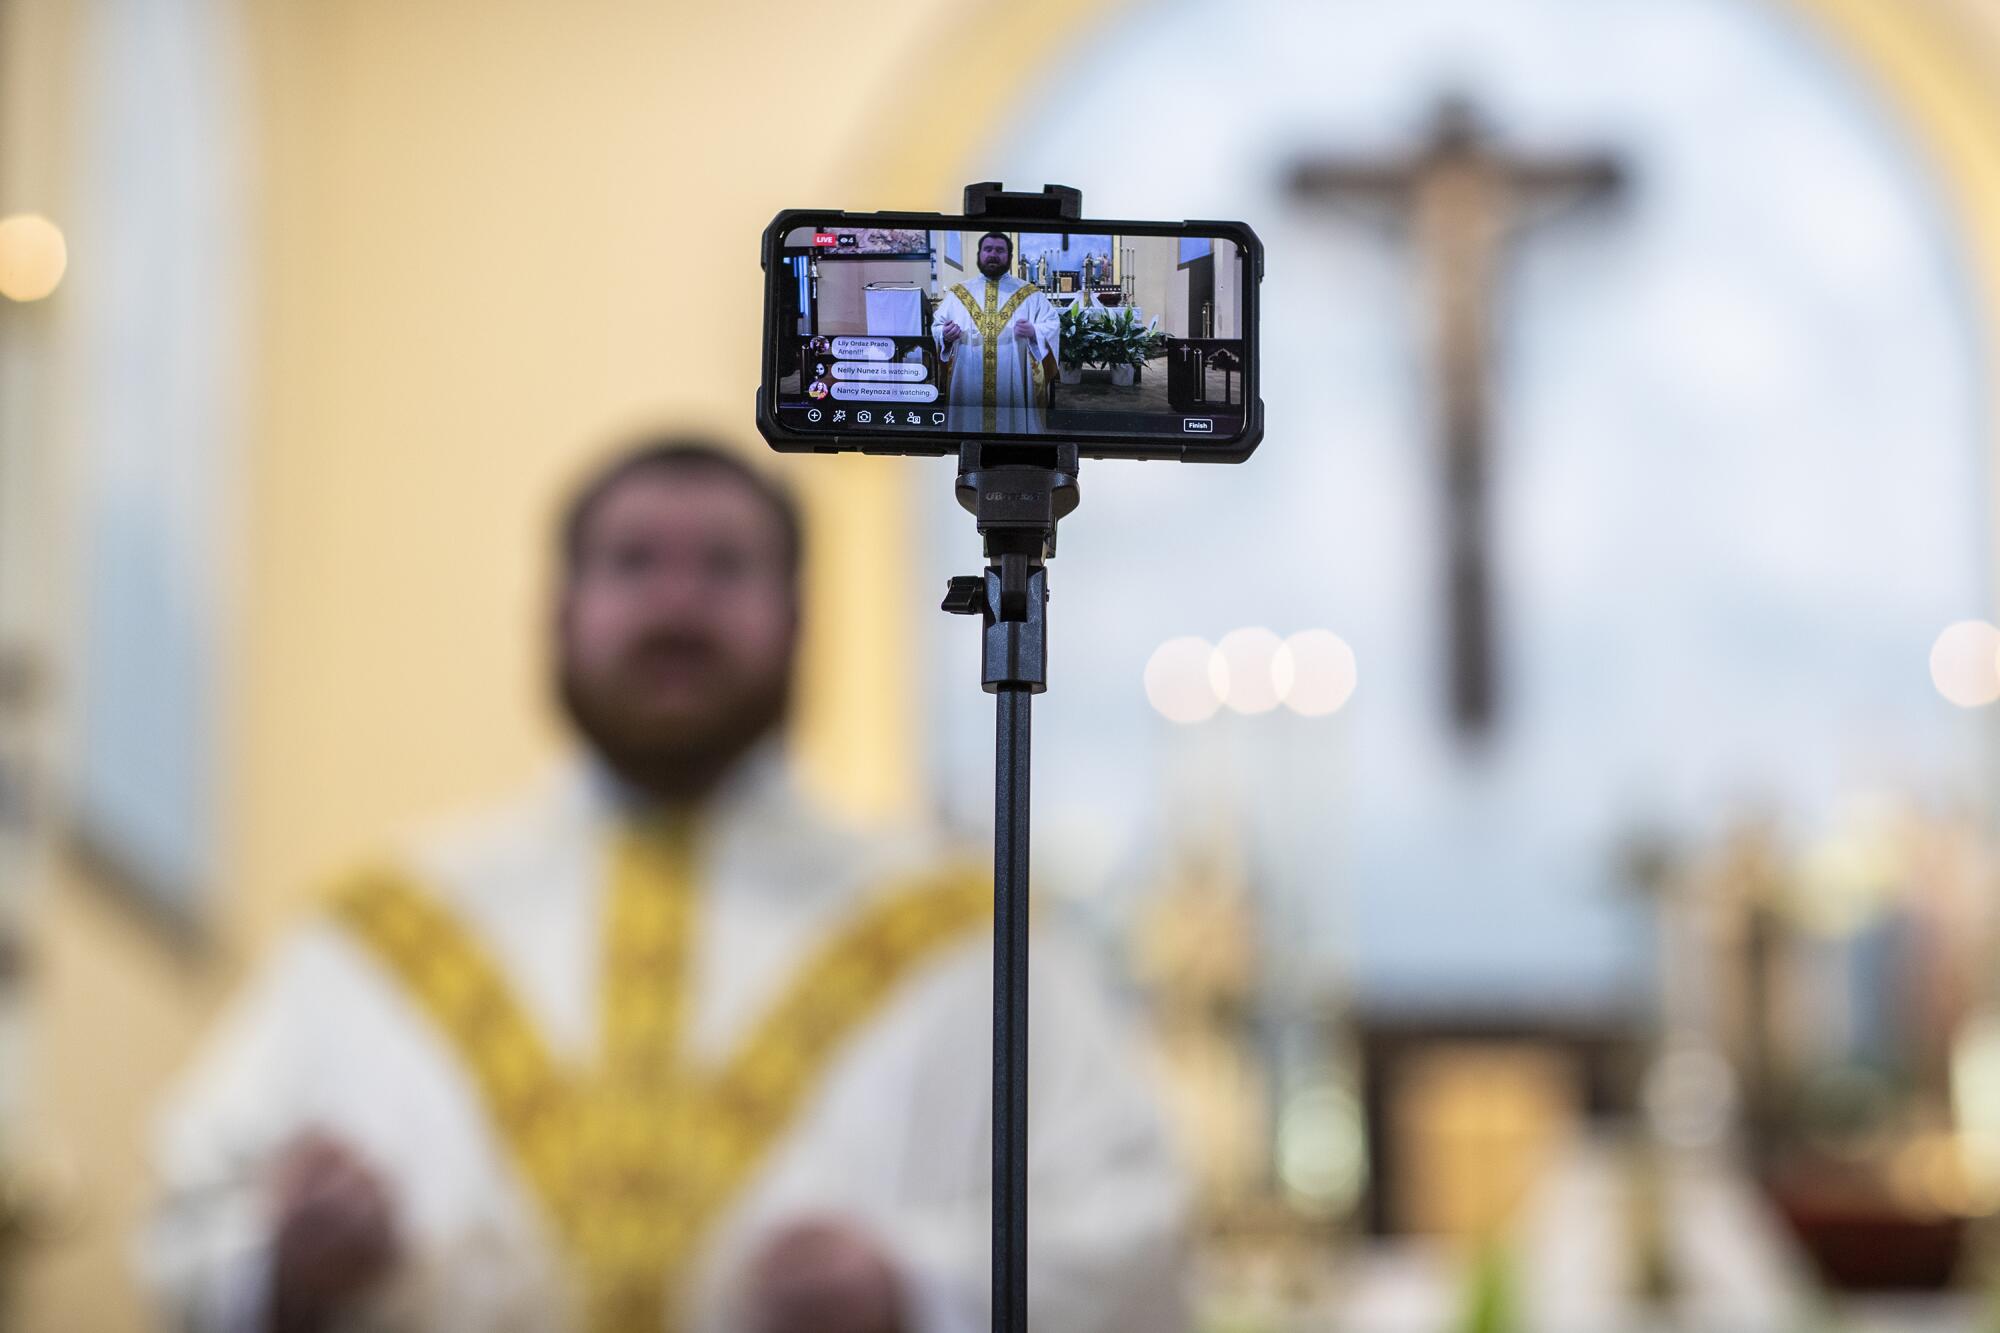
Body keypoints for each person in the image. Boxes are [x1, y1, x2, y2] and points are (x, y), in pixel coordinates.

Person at [143, 439, 1188, 1332]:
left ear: (797, 619)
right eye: (632, 562)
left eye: (726, 566)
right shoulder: (376, 931)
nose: (676, 603)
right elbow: (182, 1229)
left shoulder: (974, 939)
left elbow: (1139, 1227)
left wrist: (914, 1285)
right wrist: (281, 1260)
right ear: (557, 613)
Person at [931, 234, 1059, 434]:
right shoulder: (959, 293)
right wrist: (945, 335)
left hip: (1015, 375)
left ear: (1009, 256)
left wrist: (1035, 331)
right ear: (979, 254)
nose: (993, 255)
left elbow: (1052, 323)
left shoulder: (1030, 293)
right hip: (968, 374)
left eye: (1000, 250)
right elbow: (937, 325)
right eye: (988, 249)